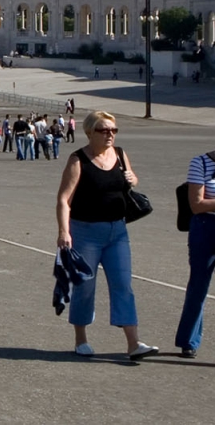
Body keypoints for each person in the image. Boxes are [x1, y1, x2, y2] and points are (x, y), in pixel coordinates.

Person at [55, 111, 157, 359]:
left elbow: (131, 181)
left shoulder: (119, 154)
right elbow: (64, 200)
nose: (110, 134)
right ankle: (81, 339)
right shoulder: (78, 160)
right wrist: (64, 231)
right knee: (85, 287)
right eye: (104, 130)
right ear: (90, 132)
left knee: (123, 285)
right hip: (85, 232)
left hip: (117, 231)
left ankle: (133, 344)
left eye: (113, 130)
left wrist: (133, 178)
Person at [175, 149, 215, 358]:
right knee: (198, 286)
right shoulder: (201, 163)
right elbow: (197, 205)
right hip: (206, 227)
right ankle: (188, 340)